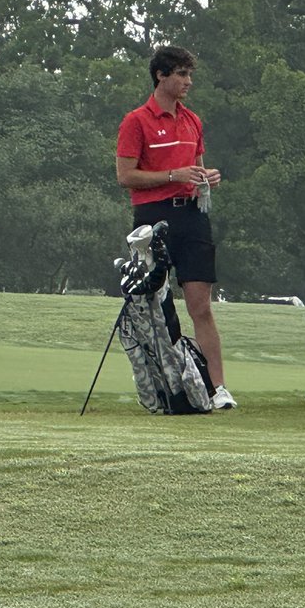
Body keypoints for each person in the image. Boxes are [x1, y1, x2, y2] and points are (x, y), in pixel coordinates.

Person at [116, 45, 235, 410]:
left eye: (189, 74)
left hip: (192, 216)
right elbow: (125, 176)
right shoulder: (136, 121)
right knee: (155, 304)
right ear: (161, 76)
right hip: (152, 217)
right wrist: (172, 175)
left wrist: (206, 178)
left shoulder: (192, 120)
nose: (188, 81)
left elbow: (195, 169)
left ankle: (217, 389)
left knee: (201, 305)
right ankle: (166, 383)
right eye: (181, 74)